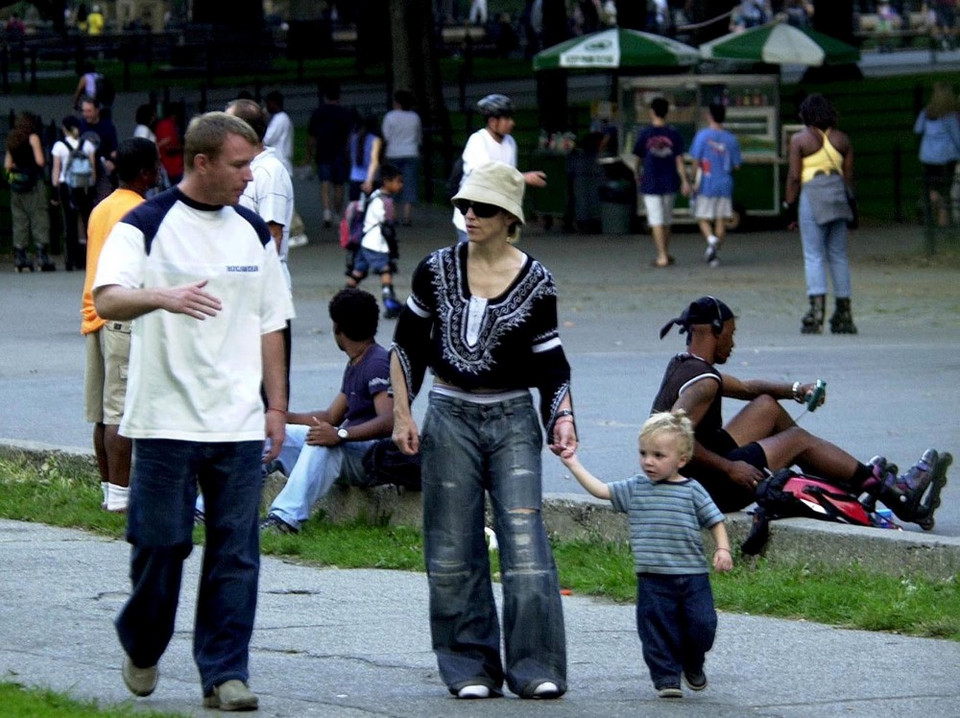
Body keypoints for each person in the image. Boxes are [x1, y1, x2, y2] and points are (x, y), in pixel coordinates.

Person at [93, 111, 293, 711]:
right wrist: (164, 296)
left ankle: (225, 673)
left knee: (236, 552)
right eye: (238, 165)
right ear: (200, 163)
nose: (248, 177)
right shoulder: (144, 225)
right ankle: (144, 642)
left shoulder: (254, 231)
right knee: (160, 545)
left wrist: (276, 406)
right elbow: (107, 299)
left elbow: (270, 323)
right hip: (163, 421)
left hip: (235, 423)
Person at [391, 161, 575, 700]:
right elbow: (406, 347)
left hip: (514, 417)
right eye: (464, 206)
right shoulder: (434, 268)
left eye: (484, 208)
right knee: (451, 545)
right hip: (449, 414)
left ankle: (535, 666)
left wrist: (561, 416)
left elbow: (551, 363)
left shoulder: (538, 281)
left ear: (510, 218)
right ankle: (468, 664)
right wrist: (403, 414)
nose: (470, 215)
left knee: (526, 542)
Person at [650, 295, 942, 527]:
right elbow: (671, 436)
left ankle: (841, 483)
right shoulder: (703, 385)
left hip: (699, 472)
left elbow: (748, 388)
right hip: (712, 487)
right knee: (798, 439)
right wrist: (730, 468)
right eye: (730, 334)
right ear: (713, 330)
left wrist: (796, 390)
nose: (733, 343)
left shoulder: (688, 367)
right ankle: (896, 495)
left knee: (766, 406)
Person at [561, 410, 732, 699]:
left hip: (692, 577)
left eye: (658, 455)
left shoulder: (692, 491)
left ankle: (693, 661)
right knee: (655, 630)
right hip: (653, 579)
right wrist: (572, 462)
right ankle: (666, 677)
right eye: (643, 453)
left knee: (703, 625)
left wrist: (723, 549)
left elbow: (715, 520)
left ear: (681, 459)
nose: (648, 461)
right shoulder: (636, 488)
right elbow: (601, 490)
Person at [260, 288, 393, 534]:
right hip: (348, 449)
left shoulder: (377, 362)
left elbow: (388, 421)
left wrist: (340, 435)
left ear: (337, 329)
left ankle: (284, 520)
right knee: (273, 434)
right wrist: (278, 417)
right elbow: (331, 417)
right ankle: (208, 510)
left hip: (370, 458)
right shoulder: (358, 361)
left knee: (322, 440)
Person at [81, 137, 160, 513]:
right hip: (121, 321)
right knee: (120, 413)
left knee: (101, 413)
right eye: (156, 166)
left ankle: (107, 491)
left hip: (92, 317)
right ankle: (121, 500)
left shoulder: (100, 208)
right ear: (146, 172)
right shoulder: (142, 212)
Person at [225, 98, 296, 400]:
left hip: (263, 295)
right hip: (243, 291)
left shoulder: (269, 172)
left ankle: (271, 446)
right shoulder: (247, 170)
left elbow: (272, 236)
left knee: (268, 390)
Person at [784, 93, 857, 335]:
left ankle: (816, 313)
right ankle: (844, 313)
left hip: (812, 196)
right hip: (837, 197)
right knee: (838, 255)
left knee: (813, 255)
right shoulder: (842, 139)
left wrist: (789, 205)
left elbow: (795, 176)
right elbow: (848, 177)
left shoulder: (800, 140)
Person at [451, 94, 547, 243]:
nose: (511, 123)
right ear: (492, 121)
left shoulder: (510, 142)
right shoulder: (478, 141)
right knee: (473, 263)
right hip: (472, 218)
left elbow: (508, 179)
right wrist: (522, 177)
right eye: (507, 119)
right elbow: (484, 174)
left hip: (495, 220)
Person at [633, 97, 691, 268]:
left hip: (650, 181)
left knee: (656, 221)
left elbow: (638, 158)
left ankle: (662, 256)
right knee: (666, 220)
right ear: (667, 112)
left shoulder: (644, 133)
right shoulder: (674, 133)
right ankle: (665, 252)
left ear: (652, 112)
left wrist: (636, 172)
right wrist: (685, 181)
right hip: (670, 181)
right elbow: (679, 161)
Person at [346, 163, 404, 319]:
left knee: (358, 271)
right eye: (398, 181)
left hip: (365, 240)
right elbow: (388, 225)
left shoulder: (374, 194)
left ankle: (344, 299)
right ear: (387, 181)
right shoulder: (386, 202)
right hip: (376, 243)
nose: (400, 185)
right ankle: (389, 302)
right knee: (386, 270)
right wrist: (392, 247)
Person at [689, 103, 741, 268]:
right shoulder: (731, 139)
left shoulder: (702, 136)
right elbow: (737, 165)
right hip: (725, 184)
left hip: (706, 183)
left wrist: (692, 180)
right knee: (721, 220)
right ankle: (714, 254)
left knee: (702, 217)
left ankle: (711, 240)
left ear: (709, 116)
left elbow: (695, 161)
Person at [5, 111, 52, 273]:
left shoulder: (12, 138)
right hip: (33, 183)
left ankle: (20, 256)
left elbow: (8, 165)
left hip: (17, 185)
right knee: (39, 217)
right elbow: (40, 161)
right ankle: (41, 256)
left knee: (19, 219)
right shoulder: (33, 138)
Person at [51, 115, 97, 272]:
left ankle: (71, 259)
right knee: (86, 222)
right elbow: (93, 171)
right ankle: (88, 258)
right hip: (85, 187)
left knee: (69, 223)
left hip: (67, 186)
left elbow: (56, 171)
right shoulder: (88, 145)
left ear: (64, 128)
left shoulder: (59, 146)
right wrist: (92, 187)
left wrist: (54, 191)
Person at [913, 82, 960, 229]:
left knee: (932, 186)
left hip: (928, 157)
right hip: (947, 157)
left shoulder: (926, 112)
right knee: (945, 189)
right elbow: (956, 137)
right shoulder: (949, 116)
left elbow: (917, 129)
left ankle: (926, 202)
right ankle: (943, 225)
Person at [307, 81, 353, 227]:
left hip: (323, 151)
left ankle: (326, 212)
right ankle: (337, 213)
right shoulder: (345, 113)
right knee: (339, 185)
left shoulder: (318, 113)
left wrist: (309, 154)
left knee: (325, 183)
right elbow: (350, 137)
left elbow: (312, 137)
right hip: (340, 153)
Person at [381, 89, 422, 226]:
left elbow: (385, 136)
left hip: (393, 153)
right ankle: (407, 216)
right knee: (409, 183)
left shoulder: (390, 117)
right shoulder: (414, 117)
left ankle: (392, 215)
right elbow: (418, 137)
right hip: (411, 152)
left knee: (392, 183)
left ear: (396, 102)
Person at [79, 95, 119, 204]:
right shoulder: (80, 126)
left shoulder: (107, 126)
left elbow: (114, 149)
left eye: (89, 111)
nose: (86, 114)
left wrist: (113, 162)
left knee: (104, 199)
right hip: (83, 168)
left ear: (97, 110)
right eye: (84, 111)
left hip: (102, 167)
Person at [347, 113, 383, 202]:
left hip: (355, 177)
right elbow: (374, 161)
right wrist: (369, 180)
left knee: (355, 207)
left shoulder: (353, 138)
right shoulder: (375, 140)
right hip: (372, 179)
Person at [155, 102, 184, 186]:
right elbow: (168, 148)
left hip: (174, 167)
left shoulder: (170, 124)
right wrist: (183, 148)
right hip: (172, 167)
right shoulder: (166, 125)